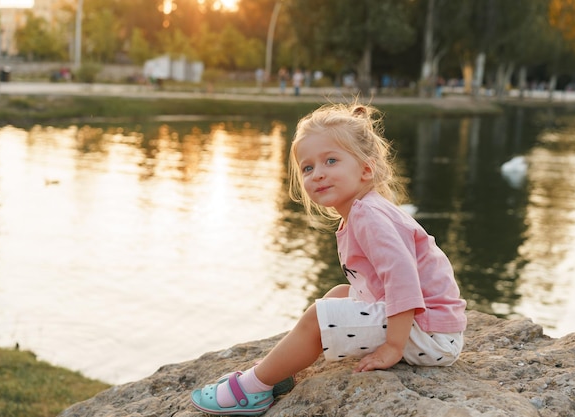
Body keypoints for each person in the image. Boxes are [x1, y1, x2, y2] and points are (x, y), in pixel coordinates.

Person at [190, 102, 468, 416]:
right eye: (308, 168)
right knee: (337, 295)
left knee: (318, 317)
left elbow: (404, 281)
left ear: (365, 168)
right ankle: (281, 367)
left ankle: (254, 389)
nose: (318, 174)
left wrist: (393, 345)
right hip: (425, 326)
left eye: (331, 161)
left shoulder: (369, 217)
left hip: (429, 333)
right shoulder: (361, 212)